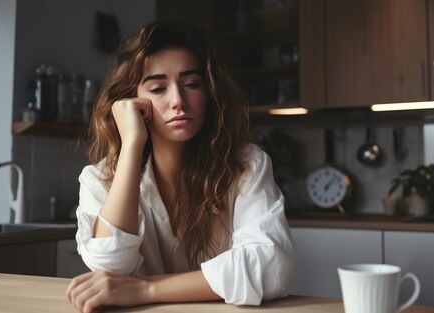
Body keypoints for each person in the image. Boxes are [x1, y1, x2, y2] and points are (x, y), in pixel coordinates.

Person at [65, 20, 294, 313]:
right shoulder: (100, 178)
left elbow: (271, 266)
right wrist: (132, 143)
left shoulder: (246, 165)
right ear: (132, 101)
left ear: (209, 93)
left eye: (191, 84)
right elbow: (109, 266)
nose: (178, 101)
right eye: (158, 88)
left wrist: (146, 290)